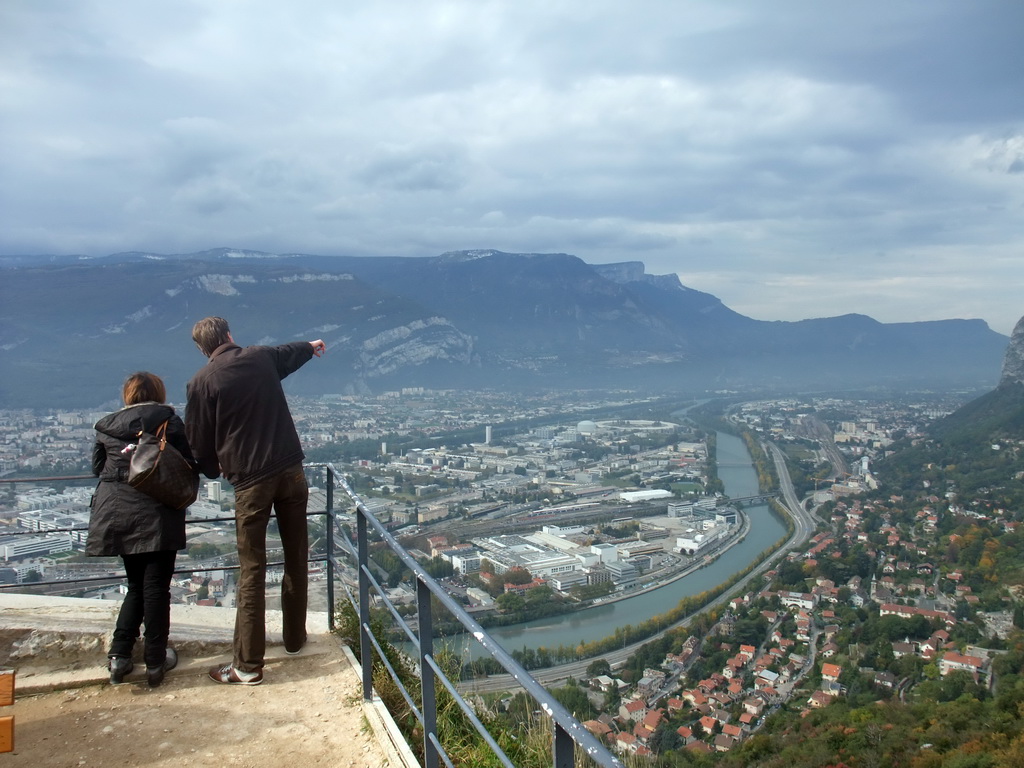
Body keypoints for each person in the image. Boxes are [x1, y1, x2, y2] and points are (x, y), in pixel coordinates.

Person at [185, 317, 325, 685]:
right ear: (230, 335)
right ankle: (294, 640)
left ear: (202, 349)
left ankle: (247, 665)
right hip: (291, 470)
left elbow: (199, 443)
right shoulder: (260, 358)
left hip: (251, 481)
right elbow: (289, 353)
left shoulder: (202, 383)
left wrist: (215, 470)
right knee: (297, 558)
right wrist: (312, 347)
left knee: (252, 570)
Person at [88, 371, 194, 687]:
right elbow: (189, 463)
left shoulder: (106, 426)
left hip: (116, 512)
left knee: (135, 585)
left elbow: (98, 468)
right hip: (157, 511)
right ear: (159, 394)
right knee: (156, 587)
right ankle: (155, 659)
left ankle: (119, 656)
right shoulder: (169, 423)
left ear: (128, 395)